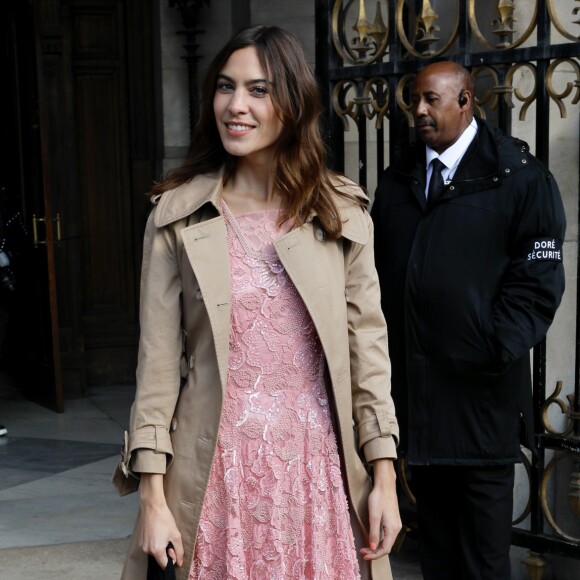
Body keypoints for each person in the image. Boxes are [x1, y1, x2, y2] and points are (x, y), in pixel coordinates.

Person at [114, 25, 401, 579]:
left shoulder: (341, 214)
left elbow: (369, 355)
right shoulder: (177, 217)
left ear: (294, 103)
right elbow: (155, 370)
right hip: (217, 471)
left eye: (258, 90)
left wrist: (384, 479)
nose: (235, 105)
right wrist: (152, 500)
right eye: (225, 87)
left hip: (318, 473)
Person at [371, 60, 566, 579]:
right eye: (415, 99)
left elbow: (538, 283)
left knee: (483, 563)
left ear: (465, 101)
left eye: (432, 99)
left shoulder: (520, 178)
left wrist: (489, 345)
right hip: (420, 408)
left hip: (482, 410)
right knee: (435, 557)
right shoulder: (397, 182)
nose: (418, 111)